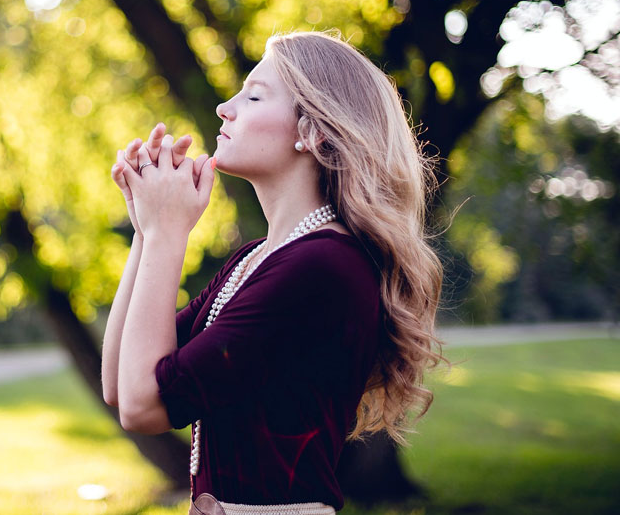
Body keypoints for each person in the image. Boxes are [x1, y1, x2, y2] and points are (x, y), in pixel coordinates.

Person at [101, 31, 446, 515]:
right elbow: (121, 385)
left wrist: (167, 235)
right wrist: (146, 229)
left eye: (254, 95)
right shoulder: (258, 259)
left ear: (315, 132)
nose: (225, 106)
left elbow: (145, 408)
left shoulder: (320, 268)